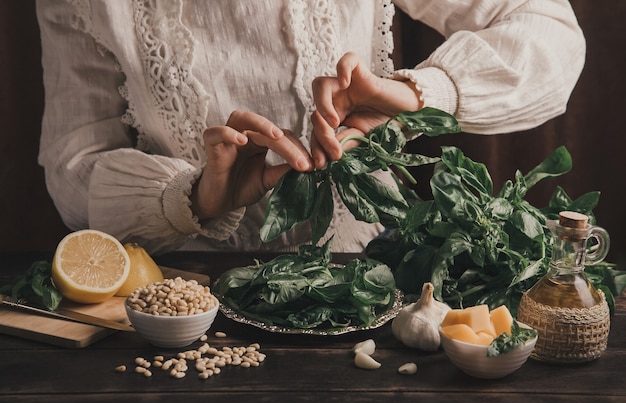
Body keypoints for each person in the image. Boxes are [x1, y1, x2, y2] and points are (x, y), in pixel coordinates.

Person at [35, 0, 585, 255]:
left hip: (368, 268)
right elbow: (72, 165)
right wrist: (191, 198)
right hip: (176, 299)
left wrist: (415, 94)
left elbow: (549, 31)